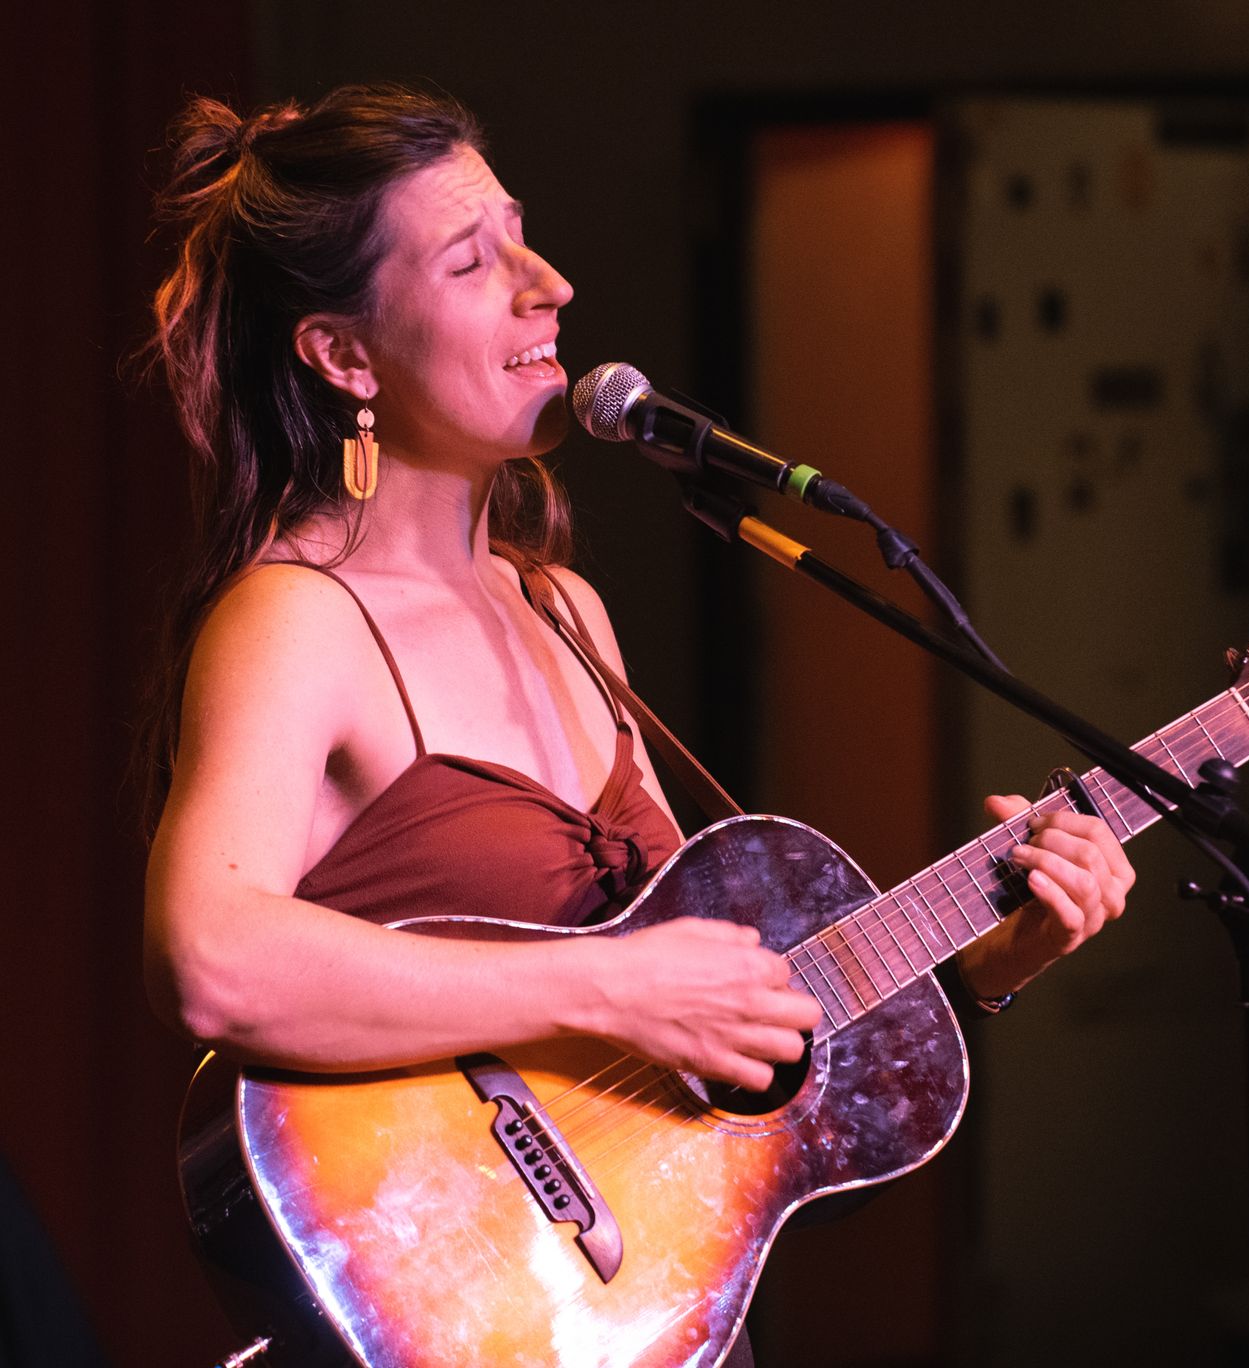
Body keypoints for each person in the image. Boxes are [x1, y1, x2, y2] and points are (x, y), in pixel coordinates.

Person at [140, 83, 1136, 1365]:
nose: (548, 285)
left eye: (522, 235)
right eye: (471, 261)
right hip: (456, 1306)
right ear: (343, 357)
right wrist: (611, 988)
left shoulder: (567, 613)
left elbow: (708, 1078)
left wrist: (985, 962)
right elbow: (211, 958)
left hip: (630, 1311)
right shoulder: (299, 618)